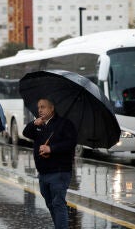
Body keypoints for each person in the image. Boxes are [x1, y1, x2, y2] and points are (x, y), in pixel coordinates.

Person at [22, 97, 77, 229]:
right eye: (39, 107)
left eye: (43, 107)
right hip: (43, 172)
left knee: (58, 203)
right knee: (50, 203)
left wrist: (51, 148)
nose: (39, 110)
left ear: (52, 108)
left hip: (59, 171)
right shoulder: (39, 124)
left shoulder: (65, 124)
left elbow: (70, 143)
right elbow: (26, 133)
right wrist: (33, 124)